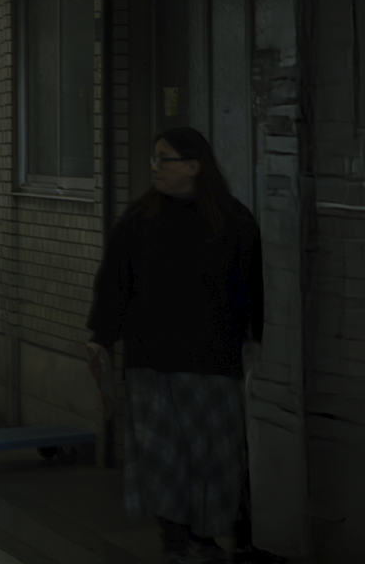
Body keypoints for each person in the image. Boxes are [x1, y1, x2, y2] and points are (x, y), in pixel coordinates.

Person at [88, 123, 263, 559]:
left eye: (163, 159)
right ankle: (176, 539)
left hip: (211, 358)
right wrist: (101, 337)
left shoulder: (234, 221)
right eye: (153, 159)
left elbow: (250, 288)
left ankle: (207, 537)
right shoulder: (139, 219)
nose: (155, 168)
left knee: (213, 454)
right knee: (163, 456)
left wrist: (253, 337)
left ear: (193, 166)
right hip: (152, 358)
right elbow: (114, 282)